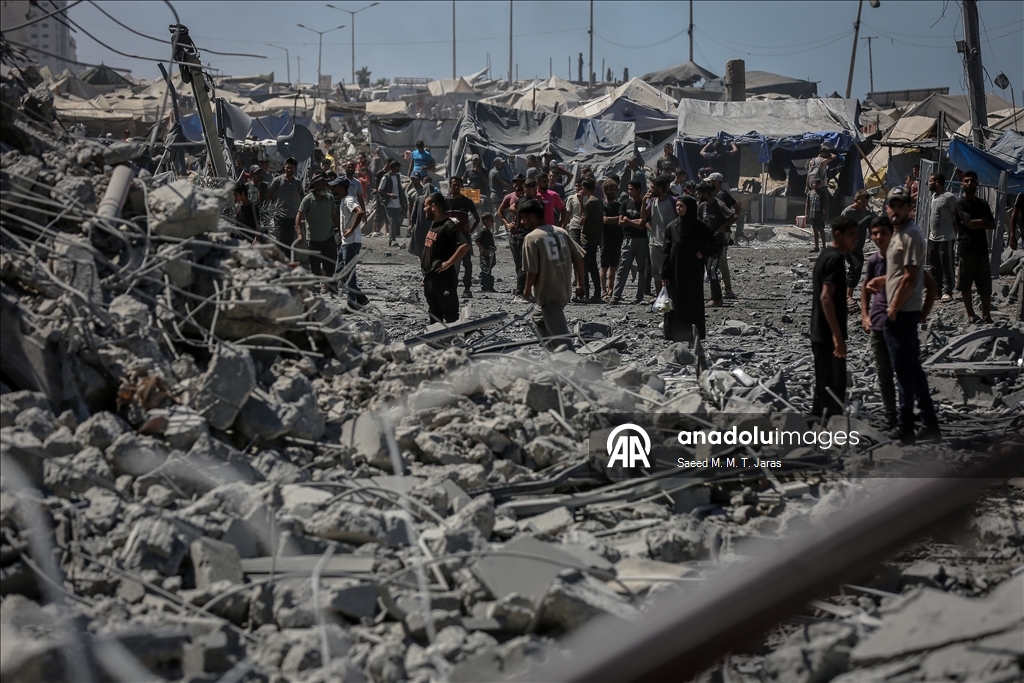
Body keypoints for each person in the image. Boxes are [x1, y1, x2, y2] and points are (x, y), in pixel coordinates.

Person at [865, 185, 941, 444]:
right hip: (901, 309)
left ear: (910, 208)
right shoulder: (898, 233)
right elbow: (899, 274)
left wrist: (893, 307)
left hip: (902, 311)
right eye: (892, 206)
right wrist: (883, 281)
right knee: (913, 369)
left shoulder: (910, 235)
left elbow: (910, 277)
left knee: (903, 371)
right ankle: (929, 422)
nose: (895, 210)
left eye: (901, 206)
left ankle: (906, 426)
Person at [810, 216, 859, 419]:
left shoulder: (825, 256)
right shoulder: (835, 260)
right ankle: (830, 429)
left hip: (820, 332)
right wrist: (837, 337)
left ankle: (816, 425)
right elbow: (826, 297)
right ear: (838, 235)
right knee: (833, 388)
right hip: (828, 334)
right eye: (851, 235)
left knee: (823, 387)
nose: (855, 239)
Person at [521, 199, 585, 349]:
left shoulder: (532, 238)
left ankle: (569, 359)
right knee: (538, 317)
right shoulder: (561, 232)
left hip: (549, 295)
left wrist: (527, 289)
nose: (522, 222)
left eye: (523, 218)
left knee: (563, 341)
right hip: (564, 291)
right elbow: (579, 258)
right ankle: (554, 353)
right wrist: (580, 283)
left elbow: (532, 271)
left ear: (532, 217)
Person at [662, 195, 722, 342]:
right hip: (675, 272)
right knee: (674, 301)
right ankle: (674, 333)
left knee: (692, 301)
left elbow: (716, 241)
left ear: (689, 208)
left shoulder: (699, 227)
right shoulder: (672, 227)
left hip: (693, 272)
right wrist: (664, 273)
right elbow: (666, 251)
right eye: (677, 206)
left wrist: (703, 252)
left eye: (681, 206)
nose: (678, 208)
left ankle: (693, 333)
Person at [861, 216, 898, 428]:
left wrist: (920, 315)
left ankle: (908, 415)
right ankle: (891, 416)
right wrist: (865, 315)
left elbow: (924, 283)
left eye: (883, 232)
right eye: (874, 233)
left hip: (899, 323)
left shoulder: (900, 259)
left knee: (903, 370)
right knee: (883, 372)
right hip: (877, 323)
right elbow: (865, 288)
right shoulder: (874, 260)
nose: (878, 237)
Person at [953, 170, 996, 324]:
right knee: (966, 283)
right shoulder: (960, 204)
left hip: (982, 248)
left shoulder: (982, 203)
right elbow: (969, 224)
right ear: (962, 183)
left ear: (977, 183)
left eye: (972, 181)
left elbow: (992, 224)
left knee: (985, 284)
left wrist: (977, 222)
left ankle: (986, 314)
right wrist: (983, 220)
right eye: (966, 181)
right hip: (966, 248)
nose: (969, 183)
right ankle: (971, 314)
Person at [421, 191, 470, 324]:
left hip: (444, 280)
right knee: (434, 314)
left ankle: (460, 337)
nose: (424, 209)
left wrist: (448, 263)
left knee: (450, 315)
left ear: (433, 206)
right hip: (431, 278)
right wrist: (427, 274)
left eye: (426, 206)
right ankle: (436, 337)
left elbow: (464, 245)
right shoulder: (434, 225)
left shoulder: (448, 225)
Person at [296, 173, 340, 293]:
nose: (323, 186)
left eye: (324, 183)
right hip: (313, 239)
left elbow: (334, 216)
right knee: (315, 267)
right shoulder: (308, 199)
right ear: (314, 185)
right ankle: (316, 290)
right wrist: (299, 233)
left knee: (330, 265)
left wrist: (341, 231)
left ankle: (331, 289)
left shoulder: (330, 198)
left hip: (328, 237)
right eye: (320, 183)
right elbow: (299, 216)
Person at [329, 176, 367, 305]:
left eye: (335, 186)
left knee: (348, 273)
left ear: (342, 188)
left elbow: (360, 212)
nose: (333, 189)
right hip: (346, 242)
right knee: (340, 271)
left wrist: (351, 229)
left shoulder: (349, 200)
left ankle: (352, 302)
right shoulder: (344, 200)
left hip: (351, 242)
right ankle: (361, 298)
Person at [611, 180, 649, 304]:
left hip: (642, 240)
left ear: (638, 190)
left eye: (631, 189)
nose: (629, 191)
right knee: (623, 267)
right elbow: (621, 221)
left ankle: (640, 296)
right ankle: (616, 295)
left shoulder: (644, 205)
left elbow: (642, 225)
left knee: (642, 268)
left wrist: (629, 221)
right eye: (629, 189)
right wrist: (634, 222)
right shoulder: (625, 203)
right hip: (628, 239)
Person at [696, 182, 734, 307]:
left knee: (712, 270)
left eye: (699, 193)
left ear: (705, 194)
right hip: (706, 243)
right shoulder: (702, 206)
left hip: (716, 243)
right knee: (708, 270)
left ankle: (717, 299)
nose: (697, 196)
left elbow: (733, 216)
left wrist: (723, 227)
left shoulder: (719, 205)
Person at [445, 177, 480, 299]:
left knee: (467, 264)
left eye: (458, 185)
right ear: (450, 185)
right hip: (449, 238)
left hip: (464, 238)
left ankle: (467, 288)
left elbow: (477, 219)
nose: (456, 187)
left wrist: (470, 230)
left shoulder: (467, 202)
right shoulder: (445, 201)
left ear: (461, 186)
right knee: (449, 263)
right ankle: (450, 288)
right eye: (454, 184)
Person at [706, 172, 739, 298]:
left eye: (710, 182)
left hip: (722, 233)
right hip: (723, 232)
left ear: (716, 182)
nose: (709, 184)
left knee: (721, 261)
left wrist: (724, 226)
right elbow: (738, 208)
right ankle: (725, 287)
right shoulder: (724, 193)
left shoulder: (720, 196)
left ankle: (728, 289)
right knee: (720, 260)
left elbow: (734, 212)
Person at [926, 173, 958, 302]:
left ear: (937, 182)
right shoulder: (934, 196)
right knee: (934, 265)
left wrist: (955, 232)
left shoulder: (949, 197)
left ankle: (948, 291)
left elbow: (957, 215)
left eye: (930, 181)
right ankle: (937, 291)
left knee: (947, 265)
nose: (929, 183)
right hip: (933, 238)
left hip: (946, 238)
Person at [840, 189, 876, 302]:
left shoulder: (867, 213)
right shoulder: (847, 213)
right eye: (863, 202)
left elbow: (871, 228)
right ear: (856, 200)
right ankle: (848, 295)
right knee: (855, 267)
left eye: (866, 202)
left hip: (858, 246)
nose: (865, 204)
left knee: (856, 269)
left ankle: (846, 293)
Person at [498, 174, 528, 299]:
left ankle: (524, 289)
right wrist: (507, 224)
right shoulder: (509, 197)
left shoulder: (527, 197)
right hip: (514, 234)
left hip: (526, 234)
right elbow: (500, 211)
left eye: (520, 182)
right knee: (518, 263)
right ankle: (520, 287)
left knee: (526, 263)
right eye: (515, 182)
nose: (517, 184)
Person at [578, 177, 605, 303]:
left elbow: (582, 220)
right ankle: (597, 294)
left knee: (583, 267)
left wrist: (580, 202)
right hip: (595, 238)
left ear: (584, 188)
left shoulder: (590, 202)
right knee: (593, 266)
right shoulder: (599, 200)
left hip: (587, 238)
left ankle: (585, 294)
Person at [267, 157, 303, 251]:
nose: (289, 169)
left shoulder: (297, 182)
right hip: (279, 216)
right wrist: (274, 208)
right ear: (284, 167)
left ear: (295, 168)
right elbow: (269, 196)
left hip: (292, 216)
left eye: (292, 167)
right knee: (280, 241)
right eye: (288, 167)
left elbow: (298, 198)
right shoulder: (277, 180)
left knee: (289, 243)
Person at [601, 179, 623, 300]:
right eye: (610, 190)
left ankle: (610, 289)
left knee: (614, 267)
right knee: (604, 267)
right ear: (605, 191)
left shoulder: (619, 205)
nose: (613, 192)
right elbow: (604, 220)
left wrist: (615, 219)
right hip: (605, 238)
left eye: (614, 190)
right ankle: (603, 290)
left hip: (617, 238)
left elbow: (622, 220)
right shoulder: (602, 205)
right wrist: (617, 219)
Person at [376, 159, 407, 246]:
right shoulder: (385, 177)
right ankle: (392, 239)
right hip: (388, 202)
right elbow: (379, 190)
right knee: (392, 220)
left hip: (397, 203)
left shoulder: (397, 176)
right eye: (398, 167)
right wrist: (389, 195)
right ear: (394, 167)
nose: (399, 168)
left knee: (396, 221)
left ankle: (392, 239)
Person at [805, 177, 829, 253]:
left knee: (821, 230)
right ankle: (816, 247)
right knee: (815, 230)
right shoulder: (810, 193)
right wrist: (806, 213)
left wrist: (825, 214)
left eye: (816, 183)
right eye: (813, 183)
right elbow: (807, 204)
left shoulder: (822, 193)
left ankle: (824, 246)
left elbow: (825, 204)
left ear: (819, 185)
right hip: (813, 215)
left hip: (820, 215)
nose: (815, 185)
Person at [476, 213, 498, 292]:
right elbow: (477, 241)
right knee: (485, 270)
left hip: (490, 253)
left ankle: (489, 286)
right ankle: (484, 286)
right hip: (485, 254)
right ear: (485, 221)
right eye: (491, 220)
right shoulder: (483, 231)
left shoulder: (488, 231)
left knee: (489, 269)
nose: (493, 222)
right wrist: (484, 250)